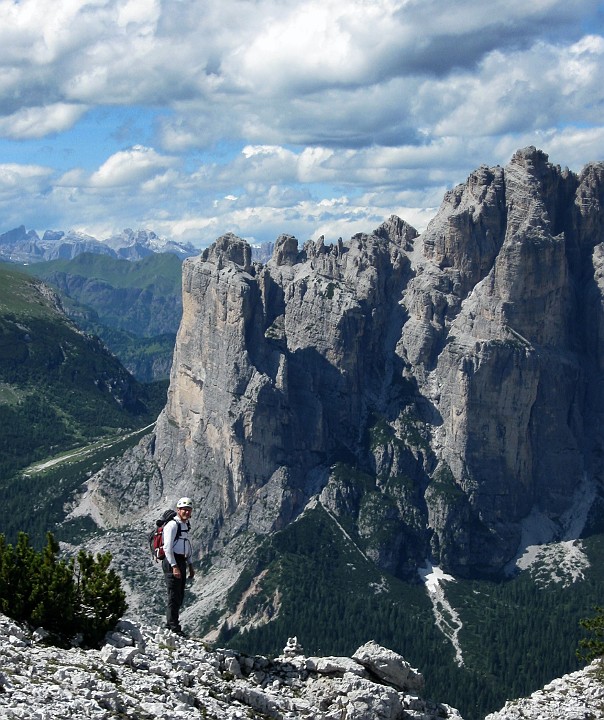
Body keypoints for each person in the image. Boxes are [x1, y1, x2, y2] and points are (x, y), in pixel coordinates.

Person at [163, 496, 195, 635]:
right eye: (184, 510)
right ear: (178, 510)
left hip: (181, 561)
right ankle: (172, 627)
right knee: (174, 595)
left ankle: (172, 624)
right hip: (172, 562)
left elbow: (186, 545)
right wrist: (174, 566)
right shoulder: (172, 525)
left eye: (189, 510)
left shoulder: (185, 525)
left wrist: (190, 564)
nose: (186, 512)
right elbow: (167, 548)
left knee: (179, 595)